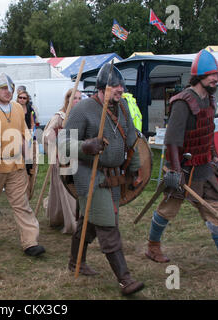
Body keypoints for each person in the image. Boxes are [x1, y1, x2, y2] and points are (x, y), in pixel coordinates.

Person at [144, 49, 218, 273]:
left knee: (217, 207)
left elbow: (209, 134)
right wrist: (175, 170)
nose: (216, 79)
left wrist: (216, 156)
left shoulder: (209, 100)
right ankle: (152, 246)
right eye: (212, 75)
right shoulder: (183, 102)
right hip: (183, 168)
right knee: (167, 210)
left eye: (217, 75)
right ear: (199, 76)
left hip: (203, 167)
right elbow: (172, 140)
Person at [61, 63, 144, 295]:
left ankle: (75, 262)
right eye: (113, 86)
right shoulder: (83, 109)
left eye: (120, 85)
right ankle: (124, 279)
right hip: (89, 173)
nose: (119, 89)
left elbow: (130, 140)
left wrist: (135, 168)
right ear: (100, 88)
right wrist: (85, 146)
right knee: (107, 224)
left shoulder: (124, 106)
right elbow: (62, 145)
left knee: (89, 223)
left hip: (114, 175)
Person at [0, 72, 45, 257]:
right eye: (3, 88)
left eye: (10, 88)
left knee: (22, 204)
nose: (8, 92)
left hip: (16, 166)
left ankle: (30, 242)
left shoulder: (18, 108)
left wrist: (28, 159)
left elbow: (24, 134)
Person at [42, 88, 81, 234]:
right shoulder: (60, 116)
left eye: (79, 98)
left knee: (69, 192)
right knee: (66, 193)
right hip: (63, 161)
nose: (77, 101)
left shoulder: (79, 116)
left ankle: (58, 217)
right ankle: (72, 224)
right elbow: (47, 134)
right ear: (68, 100)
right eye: (74, 98)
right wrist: (59, 140)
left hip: (77, 160)